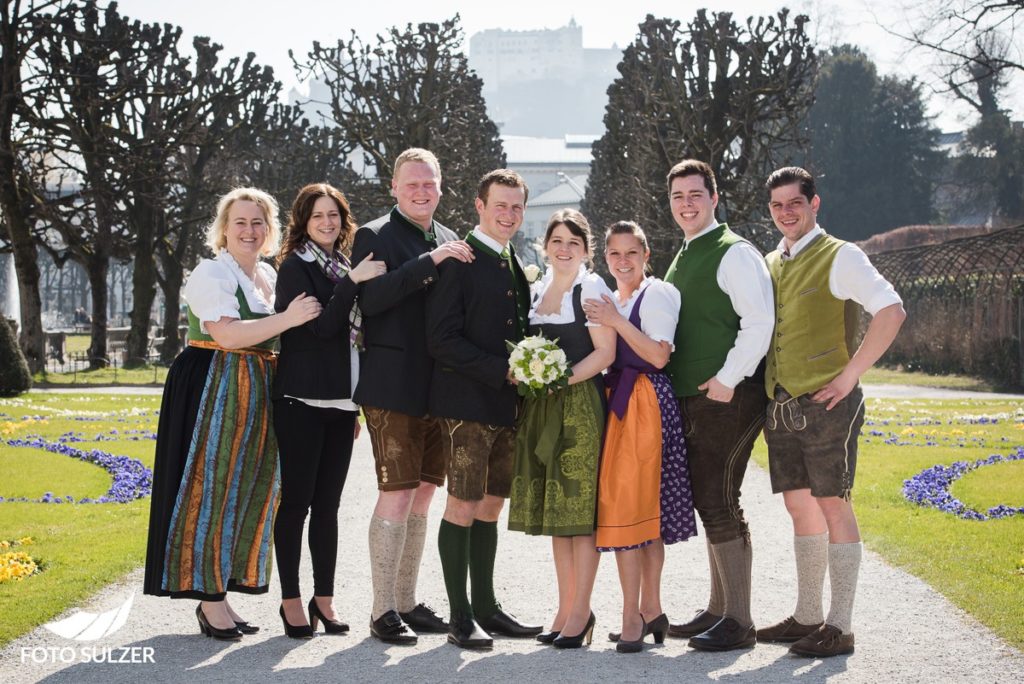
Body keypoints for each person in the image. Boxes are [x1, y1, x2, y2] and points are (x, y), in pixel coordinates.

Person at [143, 188, 322, 640]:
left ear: (269, 230)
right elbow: (226, 336)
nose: (249, 230)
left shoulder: (265, 273)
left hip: (259, 385)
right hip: (216, 386)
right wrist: (290, 318)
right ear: (224, 229)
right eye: (240, 222)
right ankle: (209, 600)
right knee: (213, 485)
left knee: (249, 488)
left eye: (258, 222)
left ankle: (221, 590)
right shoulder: (211, 273)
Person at [756, 167, 905, 657]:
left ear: (814, 204)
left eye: (794, 203)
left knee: (833, 504)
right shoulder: (771, 261)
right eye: (777, 205)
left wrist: (850, 375)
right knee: (799, 505)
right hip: (781, 407)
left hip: (828, 405)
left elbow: (891, 309)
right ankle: (807, 615)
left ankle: (840, 626)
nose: (785, 212)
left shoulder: (841, 255)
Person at [350, 148, 475, 644]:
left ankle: (406, 600)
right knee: (397, 492)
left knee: (424, 494)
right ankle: (382, 610)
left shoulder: (451, 238)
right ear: (394, 189)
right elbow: (371, 301)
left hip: (440, 389)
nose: (422, 192)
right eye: (412, 184)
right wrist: (429, 262)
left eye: (430, 184)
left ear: (441, 188)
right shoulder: (374, 235)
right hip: (392, 386)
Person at [425, 169, 542, 649]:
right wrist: (502, 369)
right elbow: (440, 341)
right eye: (501, 205)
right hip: (466, 404)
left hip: (505, 405)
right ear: (479, 205)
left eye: (517, 207)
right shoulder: (460, 261)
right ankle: (460, 617)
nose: (509, 215)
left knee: (492, 504)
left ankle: (488, 608)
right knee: (464, 503)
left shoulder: (513, 262)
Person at [662, 160, 774, 651]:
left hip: (729, 395)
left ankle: (741, 621)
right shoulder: (686, 254)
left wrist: (728, 379)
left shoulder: (734, 253)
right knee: (711, 499)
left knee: (720, 498)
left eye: (695, 194)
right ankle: (718, 608)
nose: (686, 203)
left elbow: (759, 323)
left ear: (714, 197)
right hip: (696, 396)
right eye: (678, 196)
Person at [272, 183, 387, 638]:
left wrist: (354, 405)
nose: (327, 222)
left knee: (328, 508)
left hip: (341, 404)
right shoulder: (294, 269)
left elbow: (351, 339)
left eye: (334, 215)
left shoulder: (342, 265)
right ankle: (291, 601)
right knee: (296, 505)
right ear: (303, 221)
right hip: (300, 401)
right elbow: (320, 331)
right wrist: (353, 285)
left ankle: (325, 598)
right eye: (318, 215)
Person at [583, 221, 698, 654]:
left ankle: (633, 614)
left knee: (631, 510)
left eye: (632, 253)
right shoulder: (614, 297)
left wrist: (615, 319)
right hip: (621, 403)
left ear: (646, 256)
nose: (624, 261)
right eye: (615, 253)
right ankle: (651, 608)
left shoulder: (659, 294)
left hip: (646, 402)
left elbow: (658, 355)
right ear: (606, 258)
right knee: (640, 514)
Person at [508, 208, 616, 649]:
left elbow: (604, 353)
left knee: (579, 512)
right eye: (557, 241)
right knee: (558, 513)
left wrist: (557, 378)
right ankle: (564, 607)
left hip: (579, 406)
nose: (565, 248)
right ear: (545, 245)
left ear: (586, 249)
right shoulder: (536, 290)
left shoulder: (591, 287)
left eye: (574, 242)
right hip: (542, 406)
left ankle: (581, 611)